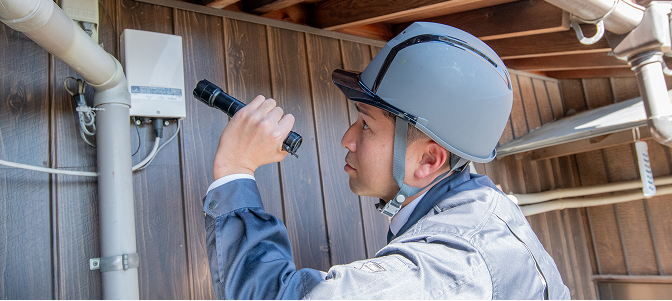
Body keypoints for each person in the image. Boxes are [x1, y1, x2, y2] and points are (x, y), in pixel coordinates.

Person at [202, 22, 570, 299]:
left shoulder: (450, 271)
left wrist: (235, 168)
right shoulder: (479, 206)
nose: (347, 139)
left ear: (429, 160)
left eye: (365, 125)